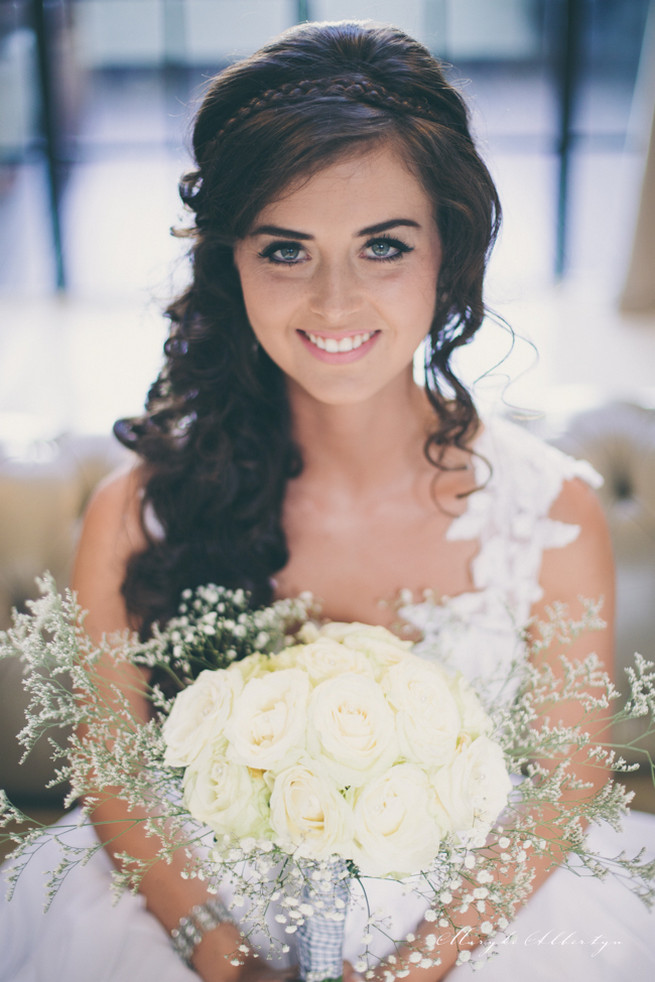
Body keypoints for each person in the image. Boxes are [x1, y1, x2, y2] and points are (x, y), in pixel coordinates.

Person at [1, 19, 654, 982]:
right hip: (187, 915)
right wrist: (228, 963)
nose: (336, 303)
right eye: (286, 251)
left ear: (449, 251)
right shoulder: (139, 510)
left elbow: (563, 784)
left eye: (383, 246)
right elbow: (117, 777)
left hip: (483, 920)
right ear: (230, 261)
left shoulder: (547, 512)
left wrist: (414, 969)